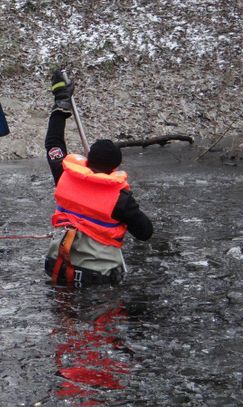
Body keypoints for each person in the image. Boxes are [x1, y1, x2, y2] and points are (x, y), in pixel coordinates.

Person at [44, 70, 153, 287]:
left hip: (57, 267)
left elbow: (53, 144)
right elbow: (145, 233)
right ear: (114, 168)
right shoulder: (121, 199)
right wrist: (129, 207)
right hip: (96, 278)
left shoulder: (65, 176)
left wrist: (60, 106)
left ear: (87, 160)